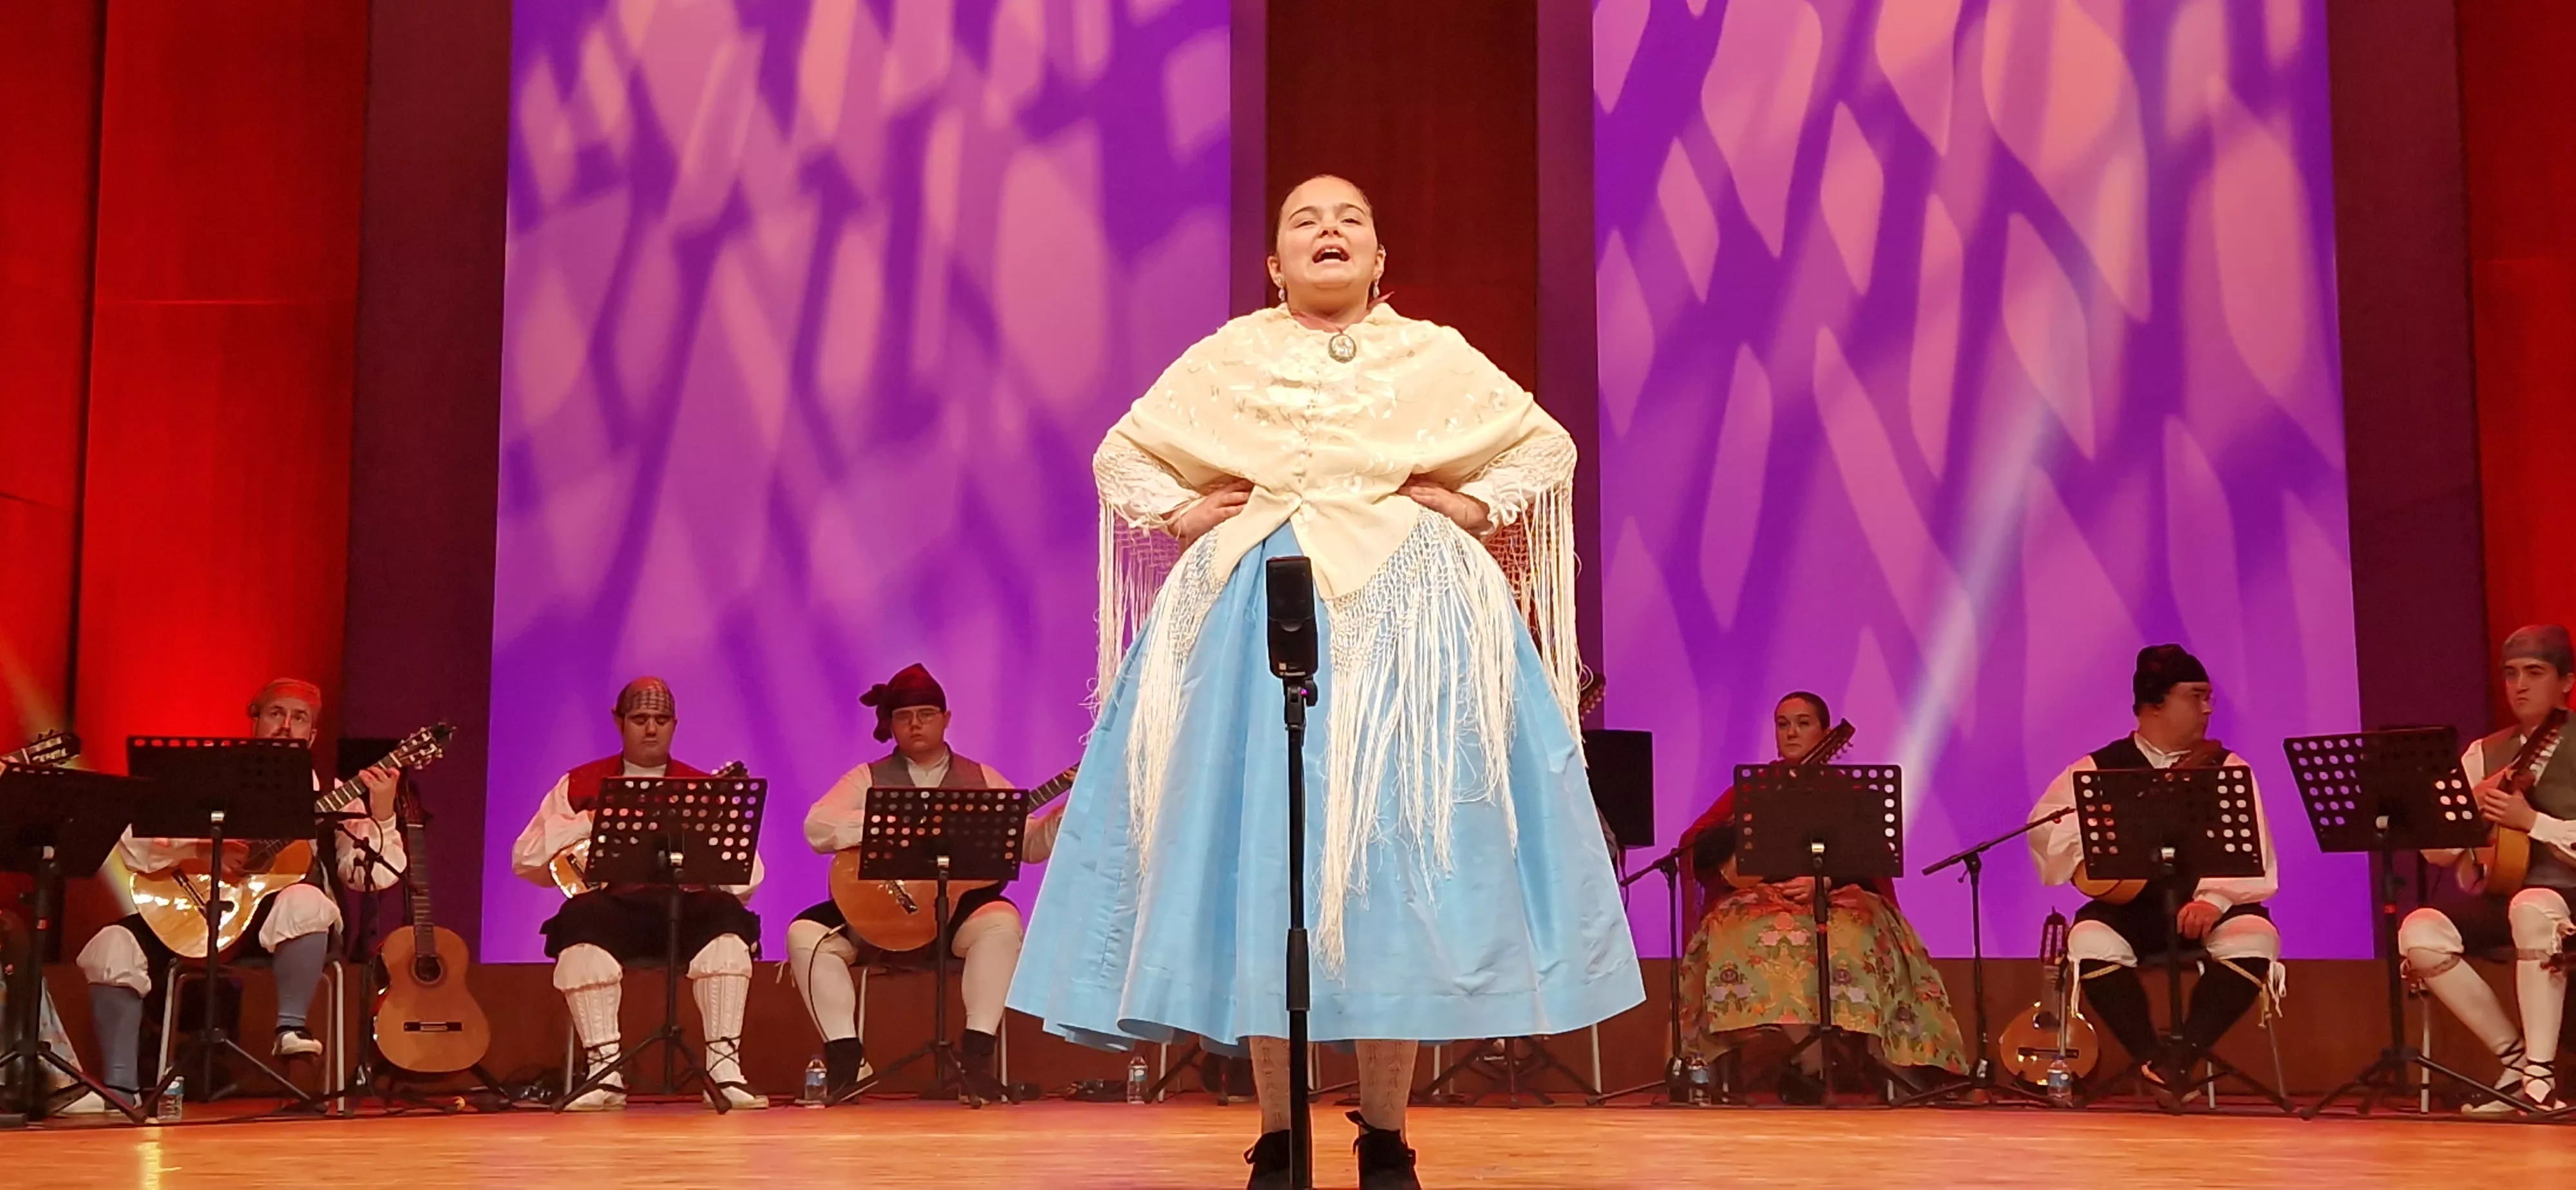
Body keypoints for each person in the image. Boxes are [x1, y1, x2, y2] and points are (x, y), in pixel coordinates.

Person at [1009, 174, 1642, 1190]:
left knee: (1391, 877)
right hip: (1257, 618)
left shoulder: (1431, 355)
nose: (1329, 230)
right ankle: (1276, 1130)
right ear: (1275, 264)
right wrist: (1179, 517)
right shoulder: (1228, 358)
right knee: (1273, 872)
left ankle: (1385, 1131)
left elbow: (1546, 445)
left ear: (1381, 258)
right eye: (1305, 220)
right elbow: (1122, 455)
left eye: (1351, 219)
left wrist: (1475, 507)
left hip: (1410, 639)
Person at [62, 679, 405, 1113]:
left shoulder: (332, 795)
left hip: (271, 925)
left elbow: (369, 878)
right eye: (276, 714)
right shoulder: (208, 785)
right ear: (256, 722)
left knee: (308, 901)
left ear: (312, 735)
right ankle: (121, 1090)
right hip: (194, 912)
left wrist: (382, 813)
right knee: (112, 946)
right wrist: (199, 849)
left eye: (299, 718)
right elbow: (133, 844)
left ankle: (290, 1029)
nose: (286, 726)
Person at [785, 663, 1063, 1104]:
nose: (915, 724)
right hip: (882, 911)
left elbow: (1027, 844)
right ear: (891, 724)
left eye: (927, 714)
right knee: (805, 935)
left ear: (947, 719)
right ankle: (846, 1061)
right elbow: (817, 826)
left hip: (955, 913)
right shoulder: (866, 778)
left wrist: (1057, 818)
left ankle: (976, 1060)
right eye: (904, 716)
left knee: (1002, 922)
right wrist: (886, 824)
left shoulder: (982, 778)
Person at [1672, 692, 1967, 1099]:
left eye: (1803, 722)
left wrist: (1824, 881)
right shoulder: (1754, 788)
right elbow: (1694, 848)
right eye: (1782, 723)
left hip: (1836, 895)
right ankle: (1805, 1061)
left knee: (1855, 937)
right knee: (1733, 933)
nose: (1791, 731)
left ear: (1825, 733)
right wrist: (1743, 822)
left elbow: (1871, 860)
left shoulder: (1846, 792)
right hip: (1761, 899)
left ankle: (1883, 1066)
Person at [2027, 645, 2282, 1106]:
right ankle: (2151, 1057)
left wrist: (2214, 901)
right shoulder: (2097, 769)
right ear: (2154, 703)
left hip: (2205, 909)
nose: (2207, 708)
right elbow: (2046, 833)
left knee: (2255, 938)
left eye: (2210, 698)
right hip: (2131, 911)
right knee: (2087, 941)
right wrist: (2094, 839)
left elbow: (2255, 851)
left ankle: (2177, 1059)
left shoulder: (2228, 770)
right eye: (2196, 696)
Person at [508, 677, 766, 1111]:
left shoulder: (700, 786)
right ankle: (604, 1073)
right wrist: (590, 822)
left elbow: (747, 878)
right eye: (640, 719)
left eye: (661, 720)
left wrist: (701, 834)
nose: (651, 729)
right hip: (616, 911)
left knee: (726, 915)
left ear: (675, 725)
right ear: (619, 722)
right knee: (580, 918)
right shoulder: (581, 783)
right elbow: (526, 858)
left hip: (683, 910)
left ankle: (723, 1070)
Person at [2400, 624, 2576, 1113]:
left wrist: (2533, 822)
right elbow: (2435, 854)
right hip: (2510, 897)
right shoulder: (2484, 753)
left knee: (2534, 905)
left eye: (2535, 673)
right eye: (2511, 674)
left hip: (2567, 899)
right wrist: (2467, 807)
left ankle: (2542, 1078)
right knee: (2420, 930)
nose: (2519, 686)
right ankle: (2515, 1060)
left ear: (2566, 681)